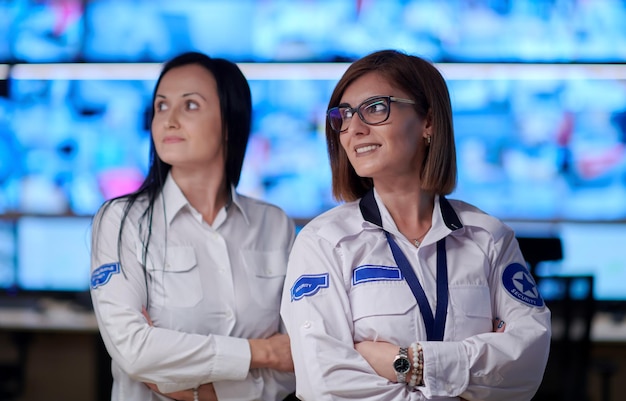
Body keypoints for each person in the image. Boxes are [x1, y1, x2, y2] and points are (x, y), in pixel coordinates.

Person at [280, 49, 551, 401]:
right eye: (343, 116)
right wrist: (466, 375)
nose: (354, 129)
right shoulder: (323, 242)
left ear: (428, 122)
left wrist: (410, 362)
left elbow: (525, 364)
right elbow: (326, 384)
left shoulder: (489, 238)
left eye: (376, 108)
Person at [90, 51, 296, 401]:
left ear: (230, 123)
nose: (169, 120)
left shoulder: (274, 224)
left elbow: (298, 361)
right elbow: (135, 350)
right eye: (161, 106)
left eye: (191, 106)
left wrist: (205, 392)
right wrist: (264, 353)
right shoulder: (121, 220)